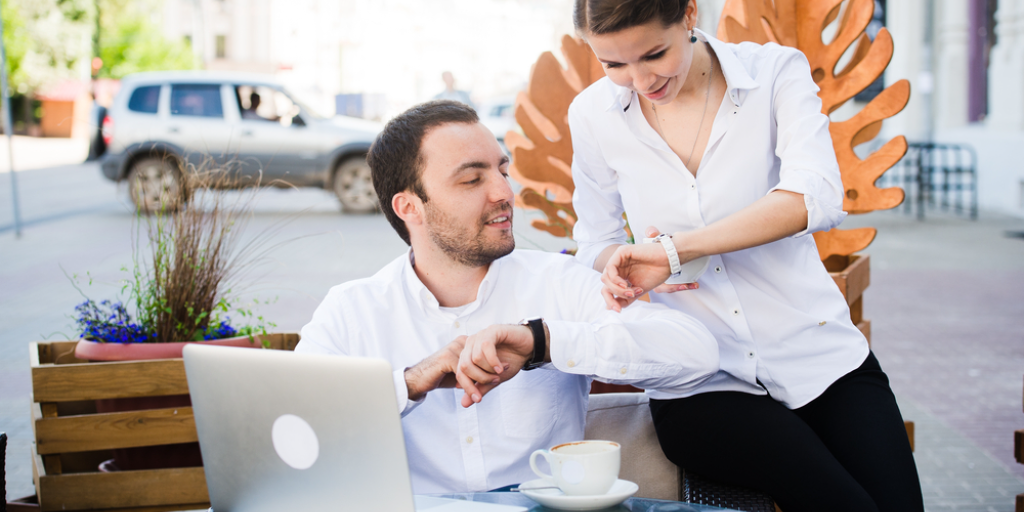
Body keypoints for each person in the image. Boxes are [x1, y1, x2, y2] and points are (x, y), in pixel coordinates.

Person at [566, 1, 924, 512]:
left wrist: (674, 249)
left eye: (653, 54)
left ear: (689, 14)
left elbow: (814, 196)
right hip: (700, 381)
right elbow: (594, 243)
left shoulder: (774, 72)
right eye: (613, 64)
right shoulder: (592, 115)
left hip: (818, 354)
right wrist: (625, 270)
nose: (640, 80)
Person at [294, 100, 719, 494]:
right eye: (473, 179)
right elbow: (293, 431)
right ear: (410, 208)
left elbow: (696, 355)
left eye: (502, 170)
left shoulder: (557, 282)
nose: (503, 192)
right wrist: (407, 384)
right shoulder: (351, 311)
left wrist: (545, 342)